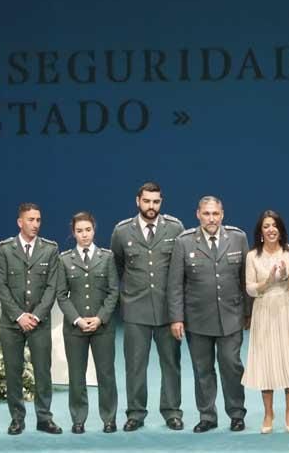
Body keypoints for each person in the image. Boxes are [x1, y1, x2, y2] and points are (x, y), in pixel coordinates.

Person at [168, 196, 251, 433]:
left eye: (215, 214)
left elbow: (245, 278)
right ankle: (207, 416)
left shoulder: (237, 237)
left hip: (231, 317)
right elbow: (175, 284)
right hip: (198, 319)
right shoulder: (184, 242)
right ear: (198, 215)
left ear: (222, 214)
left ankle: (236, 414)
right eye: (206, 214)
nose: (211, 219)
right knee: (202, 369)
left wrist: (248, 313)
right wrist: (176, 317)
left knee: (231, 365)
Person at [109, 182, 186, 431]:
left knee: (171, 364)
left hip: (167, 311)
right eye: (147, 201)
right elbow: (117, 267)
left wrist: (178, 311)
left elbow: (181, 270)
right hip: (136, 310)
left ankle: (172, 411)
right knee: (135, 365)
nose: (151, 206)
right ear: (137, 201)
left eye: (156, 202)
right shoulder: (121, 232)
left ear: (161, 202)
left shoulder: (175, 228)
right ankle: (135, 413)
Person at [0, 203, 62, 435]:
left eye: (38, 220)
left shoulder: (50, 249)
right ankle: (17, 419)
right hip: (12, 324)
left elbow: (52, 287)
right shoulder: (5, 249)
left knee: (43, 372)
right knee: (13, 372)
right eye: (31, 220)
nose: (35, 224)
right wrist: (19, 316)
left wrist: (37, 315)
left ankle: (44, 418)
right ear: (19, 222)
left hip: (39, 323)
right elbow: (1, 287)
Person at [242, 210, 289, 434]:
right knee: (266, 362)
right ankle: (268, 414)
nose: (271, 230)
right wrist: (269, 280)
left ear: (280, 230)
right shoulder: (253, 256)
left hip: (288, 309)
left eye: (274, 226)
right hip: (264, 311)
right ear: (260, 232)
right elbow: (250, 289)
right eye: (266, 226)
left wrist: (287, 276)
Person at [56, 211, 119, 434]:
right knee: (76, 375)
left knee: (106, 374)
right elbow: (61, 295)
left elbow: (113, 292)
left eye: (88, 230)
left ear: (94, 230)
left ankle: (109, 418)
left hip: (103, 327)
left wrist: (100, 318)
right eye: (79, 231)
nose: (84, 235)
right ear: (73, 233)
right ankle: (78, 419)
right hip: (75, 328)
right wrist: (78, 320)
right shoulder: (63, 259)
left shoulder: (107, 257)